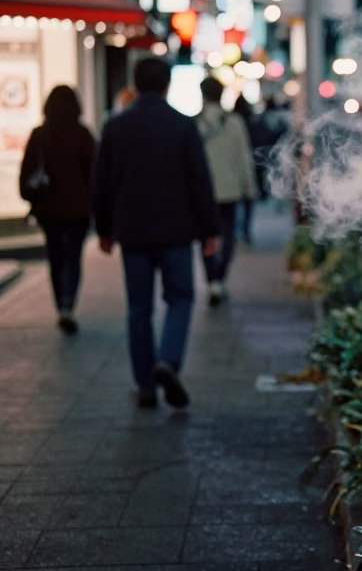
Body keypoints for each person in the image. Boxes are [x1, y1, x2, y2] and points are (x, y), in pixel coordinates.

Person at [93, 57, 220, 409]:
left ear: (135, 85)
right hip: (177, 230)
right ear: (166, 85)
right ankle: (168, 360)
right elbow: (200, 181)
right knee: (180, 299)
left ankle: (145, 386)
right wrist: (210, 229)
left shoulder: (116, 127)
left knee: (138, 309)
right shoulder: (181, 125)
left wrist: (103, 229)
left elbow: (102, 184)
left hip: (132, 231)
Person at [19, 85, 96, 335]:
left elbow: (27, 171)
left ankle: (60, 302)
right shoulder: (83, 134)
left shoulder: (41, 134)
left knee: (56, 257)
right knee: (73, 257)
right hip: (78, 209)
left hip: (48, 208)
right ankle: (68, 305)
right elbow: (94, 174)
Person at [196, 76, 257, 304]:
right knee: (228, 234)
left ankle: (211, 280)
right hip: (230, 189)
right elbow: (243, 158)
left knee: (206, 236)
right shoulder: (234, 123)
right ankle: (221, 276)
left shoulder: (195, 123)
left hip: (204, 191)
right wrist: (249, 187)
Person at [233, 94, 279, 243]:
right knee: (247, 203)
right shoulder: (254, 122)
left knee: (234, 205)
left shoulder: (231, 123)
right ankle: (245, 230)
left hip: (233, 169)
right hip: (252, 166)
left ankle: (236, 231)